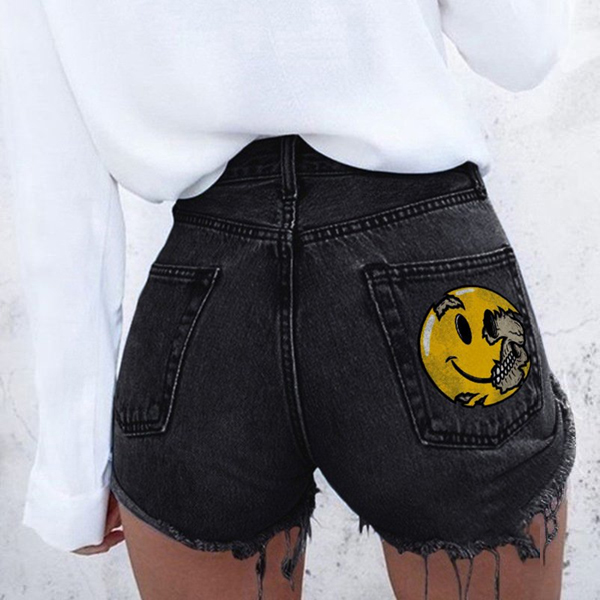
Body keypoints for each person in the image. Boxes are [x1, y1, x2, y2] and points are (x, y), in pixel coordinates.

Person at [0, 0, 576, 599]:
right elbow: (523, 50)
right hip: (424, 268)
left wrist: (73, 476)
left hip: (202, 301)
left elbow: (60, 193)